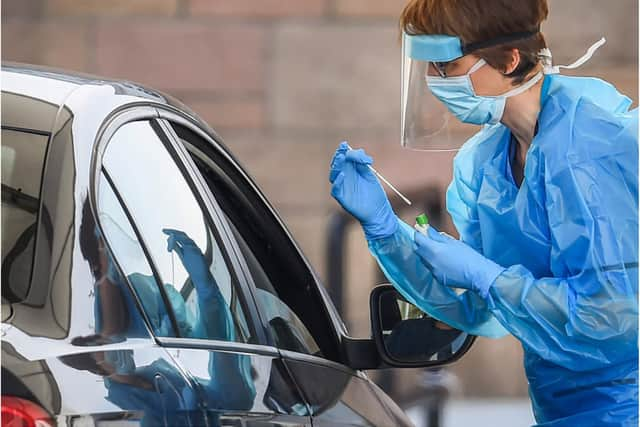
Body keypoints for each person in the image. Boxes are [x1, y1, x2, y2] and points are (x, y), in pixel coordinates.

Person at [329, 0, 638, 425]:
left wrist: (487, 276)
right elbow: (477, 312)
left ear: (509, 59)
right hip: (560, 407)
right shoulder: (487, 162)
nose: (434, 81)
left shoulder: (589, 150)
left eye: (447, 67)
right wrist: (385, 229)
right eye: (429, 68)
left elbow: (613, 318)